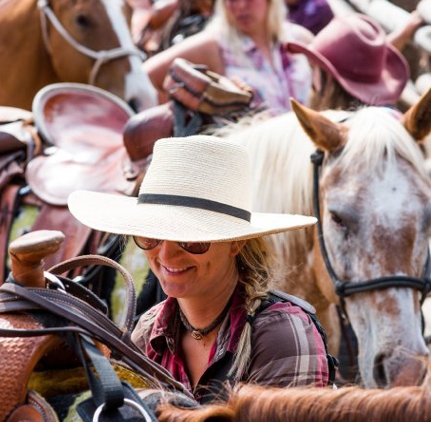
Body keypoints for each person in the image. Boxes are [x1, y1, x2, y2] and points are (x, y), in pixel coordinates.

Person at [68, 135, 331, 403]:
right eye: (150, 237)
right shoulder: (149, 331)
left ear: (235, 243)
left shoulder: (281, 335)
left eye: (191, 239)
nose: (167, 254)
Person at [142, 0, 314, 116]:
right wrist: (180, 115)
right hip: (252, 162)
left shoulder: (299, 39)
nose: (240, 6)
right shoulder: (214, 45)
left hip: (305, 159)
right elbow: (145, 77)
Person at [286, 13, 420, 110]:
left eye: (313, 66)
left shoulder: (327, 132)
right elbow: (363, 63)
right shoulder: (388, 118)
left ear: (328, 78)